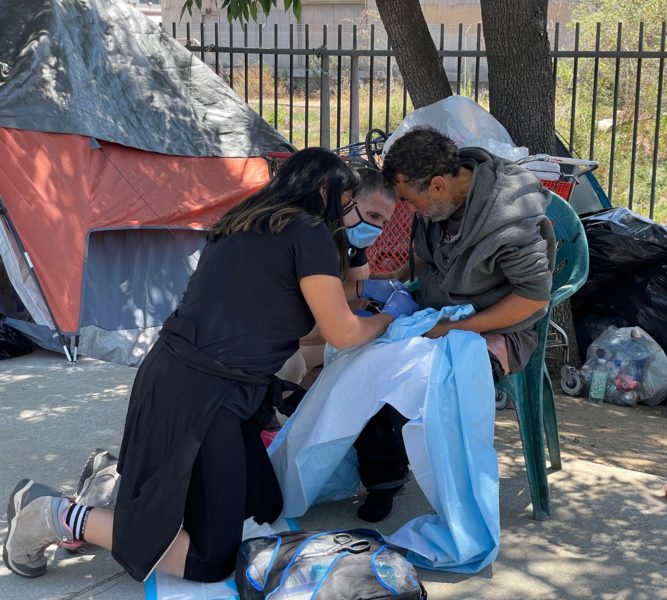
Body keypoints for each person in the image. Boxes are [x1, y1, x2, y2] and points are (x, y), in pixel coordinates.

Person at [2, 148, 419, 584]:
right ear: (323, 190)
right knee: (210, 560)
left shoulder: (245, 223)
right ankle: (53, 514)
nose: (349, 212)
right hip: (202, 396)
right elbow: (344, 333)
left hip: (203, 386)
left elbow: (288, 321)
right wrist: (391, 316)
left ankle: (112, 481)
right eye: (348, 199)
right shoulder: (308, 229)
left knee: (263, 507)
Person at [348, 127, 555, 522]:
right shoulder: (441, 205)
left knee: (426, 382)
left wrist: (459, 328)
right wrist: (392, 274)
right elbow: (429, 259)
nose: (408, 210)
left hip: (497, 328)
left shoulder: (509, 214)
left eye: (410, 201)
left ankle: (453, 494)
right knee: (362, 366)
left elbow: (534, 298)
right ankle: (385, 479)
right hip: (432, 316)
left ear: (438, 186)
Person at [298, 167, 401, 372]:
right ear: (346, 202)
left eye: (383, 222)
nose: (377, 228)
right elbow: (311, 327)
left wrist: (362, 283)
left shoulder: (349, 242)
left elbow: (357, 298)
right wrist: (387, 318)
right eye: (372, 215)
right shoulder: (312, 239)